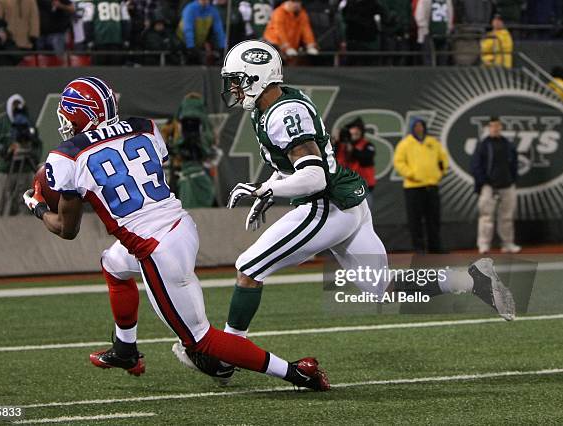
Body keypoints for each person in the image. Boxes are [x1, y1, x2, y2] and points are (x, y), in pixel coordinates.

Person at [174, 40, 515, 384]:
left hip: (327, 205)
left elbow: (313, 174)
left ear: (258, 77)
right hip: (344, 203)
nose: (233, 87)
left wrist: (267, 189)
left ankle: (228, 354)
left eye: (238, 79)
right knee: (380, 288)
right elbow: (295, 166)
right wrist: (270, 188)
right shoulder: (271, 106)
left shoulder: (283, 113)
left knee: (248, 267)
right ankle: (471, 279)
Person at [22, 76, 329, 391]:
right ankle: (126, 349)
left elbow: (66, 229)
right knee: (113, 263)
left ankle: (296, 373)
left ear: (81, 114)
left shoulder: (64, 156)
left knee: (200, 339)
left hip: (155, 247)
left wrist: (37, 206)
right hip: (180, 225)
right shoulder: (145, 127)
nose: (64, 122)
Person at [393, 118, 447, 254]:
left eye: (421, 125)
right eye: (416, 126)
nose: (419, 128)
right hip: (413, 187)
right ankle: (419, 247)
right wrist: (411, 174)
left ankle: (435, 246)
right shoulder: (405, 144)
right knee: (415, 219)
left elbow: (443, 159)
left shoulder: (433, 142)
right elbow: (398, 162)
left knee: (433, 218)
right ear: (412, 128)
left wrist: (440, 173)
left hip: (431, 185)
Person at [471, 117, 520, 254]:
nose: (495, 128)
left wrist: (512, 179)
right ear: (488, 128)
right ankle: (484, 244)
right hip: (488, 186)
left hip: (507, 185)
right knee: (486, 216)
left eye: (498, 126)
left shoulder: (508, 144)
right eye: (492, 126)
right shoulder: (483, 145)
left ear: (501, 127)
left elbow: (514, 164)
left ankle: (508, 243)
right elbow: (475, 165)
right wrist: (484, 181)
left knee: (507, 216)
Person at [0, 94, 42, 216]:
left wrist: (32, 154)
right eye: (14, 105)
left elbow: (37, 143)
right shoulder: (2, 124)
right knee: (2, 198)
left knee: (25, 199)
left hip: (25, 168)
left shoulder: (29, 124)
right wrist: (7, 150)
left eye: (19, 105)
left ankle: (23, 224)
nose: (16, 108)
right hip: (7, 168)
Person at [335, 118, 376, 208]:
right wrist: (336, 141)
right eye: (352, 131)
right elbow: (332, 159)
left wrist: (353, 150)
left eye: (357, 131)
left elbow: (366, 159)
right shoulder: (341, 146)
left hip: (363, 187)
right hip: (343, 188)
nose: (355, 134)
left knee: (365, 214)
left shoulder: (367, 145)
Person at [177, 0, 226, 65]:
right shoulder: (190, 9)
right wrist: (191, 46)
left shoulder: (213, 10)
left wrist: (222, 47)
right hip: (183, 42)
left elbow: (219, 31)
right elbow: (188, 29)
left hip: (198, 43)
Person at [83, 0, 131, 65]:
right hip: (115, 39)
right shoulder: (120, 2)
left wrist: (90, 40)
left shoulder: (92, 3)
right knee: (115, 69)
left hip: (100, 40)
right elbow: (126, 21)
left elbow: (87, 22)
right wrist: (126, 39)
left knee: (100, 70)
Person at [414, 0, 453, 65]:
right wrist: (425, 30)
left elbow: (450, 14)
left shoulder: (448, 1)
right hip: (428, 35)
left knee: (442, 60)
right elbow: (419, 15)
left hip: (443, 34)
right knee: (429, 61)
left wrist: (448, 29)